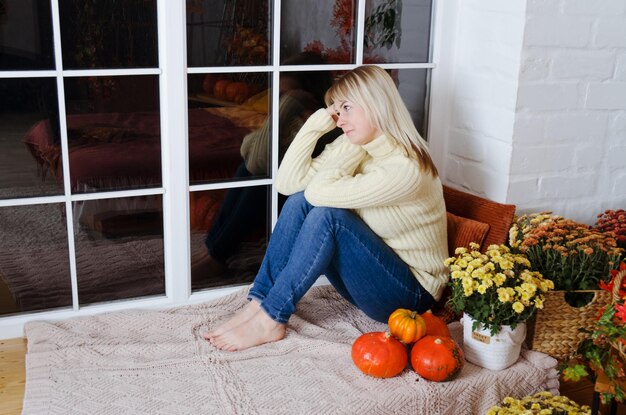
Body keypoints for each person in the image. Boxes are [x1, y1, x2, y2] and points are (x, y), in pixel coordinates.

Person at [205, 65, 449, 352]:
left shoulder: (406, 169)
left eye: (346, 108)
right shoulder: (362, 146)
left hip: (410, 298)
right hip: (371, 278)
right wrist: (316, 125)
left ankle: (272, 317)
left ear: (376, 105)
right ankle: (260, 302)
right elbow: (288, 184)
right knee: (299, 202)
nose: (339, 119)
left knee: (327, 216)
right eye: (335, 110)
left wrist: (349, 149)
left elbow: (318, 192)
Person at [192, 52, 339, 284]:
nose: (281, 100)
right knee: (245, 171)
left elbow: (258, 157)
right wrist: (283, 111)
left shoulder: (320, 121)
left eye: (286, 95)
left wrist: (286, 109)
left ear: (307, 93)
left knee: (259, 183)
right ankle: (214, 249)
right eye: (280, 96)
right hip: (294, 185)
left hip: (309, 196)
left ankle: (217, 256)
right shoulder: (295, 117)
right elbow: (248, 149)